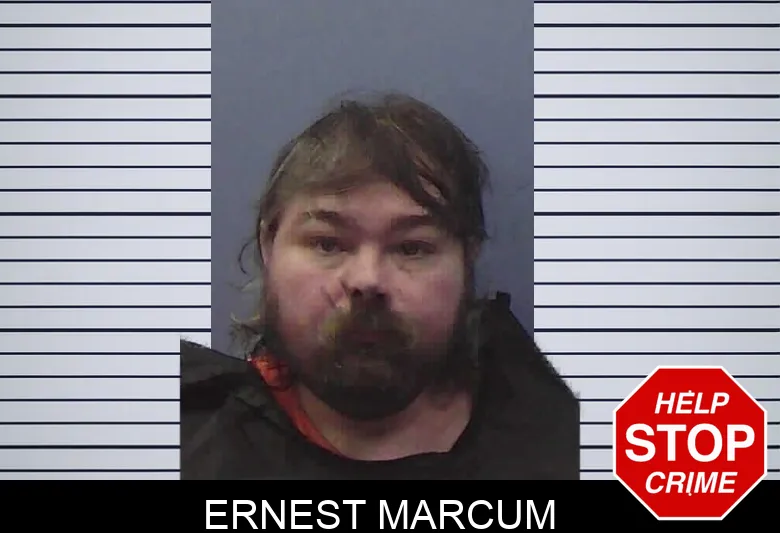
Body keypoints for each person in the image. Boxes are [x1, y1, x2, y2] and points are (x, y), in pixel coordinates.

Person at [181, 92, 579, 479]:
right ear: (269, 245)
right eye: (327, 243)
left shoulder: (566, 441)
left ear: (467, 258)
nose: (367, 279)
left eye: (411, 248)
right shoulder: (186, 442)